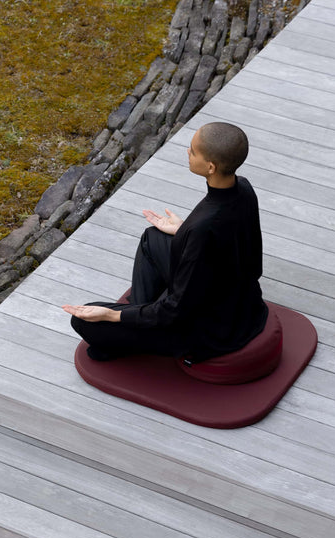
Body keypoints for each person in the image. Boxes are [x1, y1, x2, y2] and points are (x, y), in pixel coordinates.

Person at [62, 121, 268, 362]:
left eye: (192, 151)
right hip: (241, 301)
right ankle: (138, 318)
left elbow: (175, 310)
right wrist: (182, 230)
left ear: (210, 166)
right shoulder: (243, 187)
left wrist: (113, 316)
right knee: (153, 237)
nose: (187, 153)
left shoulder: (202, 227)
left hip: (209, 330)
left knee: (82, 319)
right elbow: (242, 252)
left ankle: (134, 329)